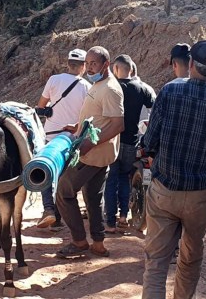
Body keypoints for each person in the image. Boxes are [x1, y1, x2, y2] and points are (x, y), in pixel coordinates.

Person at [141, 40, 206, 299]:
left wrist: (147, 151)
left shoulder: (169, 92)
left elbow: (150, 140)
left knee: (156, 263)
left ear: (190, 64)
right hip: (202, 195)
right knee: (191, 256)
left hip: (165, 188)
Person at [55, 46, 124, 259]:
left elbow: (117, 125)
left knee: (64, 192)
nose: (90, 67)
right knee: (93, 197)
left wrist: (89, 143)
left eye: (94, 63)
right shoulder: (99, 84)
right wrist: (77, 127)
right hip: (98, 153)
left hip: (92, 154)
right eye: (89, 63)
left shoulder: (110, 89)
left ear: (106, 65)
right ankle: (98, 243)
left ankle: (79, 241)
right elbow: (98, 117)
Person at [35, 48, 91, 228]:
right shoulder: (86, 87)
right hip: (72, 138)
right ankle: (58, 216)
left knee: (47, 171)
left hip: (51, 136)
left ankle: (49, 210)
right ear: (83, 67)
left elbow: (41, 106)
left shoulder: (54, 80)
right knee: (63, 177)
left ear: (68, 64)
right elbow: (87, 115)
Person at [104, 54, 155, 233]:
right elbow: (154, 112)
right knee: (125, 178)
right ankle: (124, 216)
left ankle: (110, 222)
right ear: (131, 69)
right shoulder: (143, 88)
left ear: (116, 69)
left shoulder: (112, 87)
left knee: (111, 180)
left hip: (112, 141)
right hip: (132, 142)